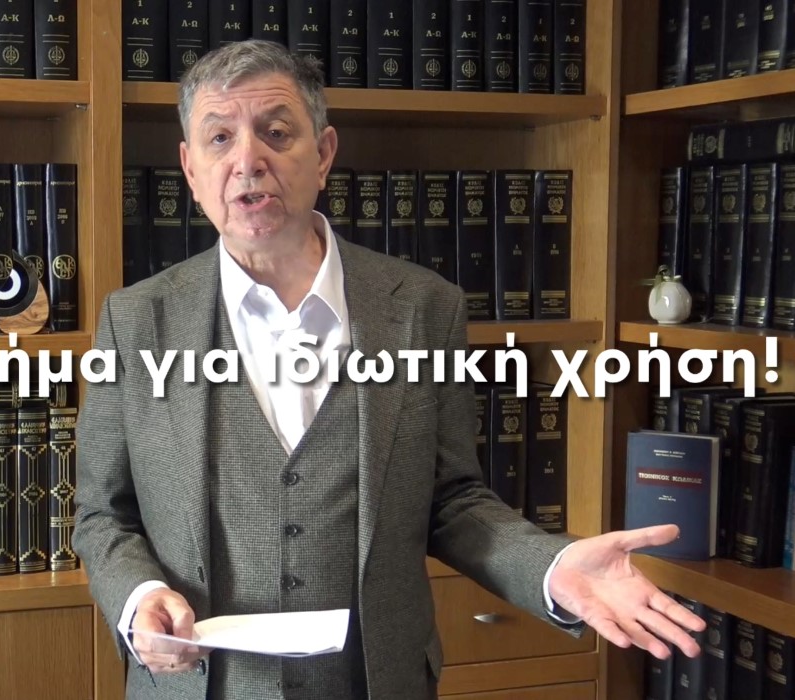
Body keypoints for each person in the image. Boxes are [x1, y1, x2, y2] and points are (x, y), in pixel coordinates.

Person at [72, 39, 704, 700]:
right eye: (219, 138)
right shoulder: (134, 321)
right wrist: (137, 596)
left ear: (323, 154)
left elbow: (453, 500)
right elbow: (102, 516)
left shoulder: (424, 308)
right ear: (190, 168)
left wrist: (549, 567)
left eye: (276, 133)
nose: (247, 160)